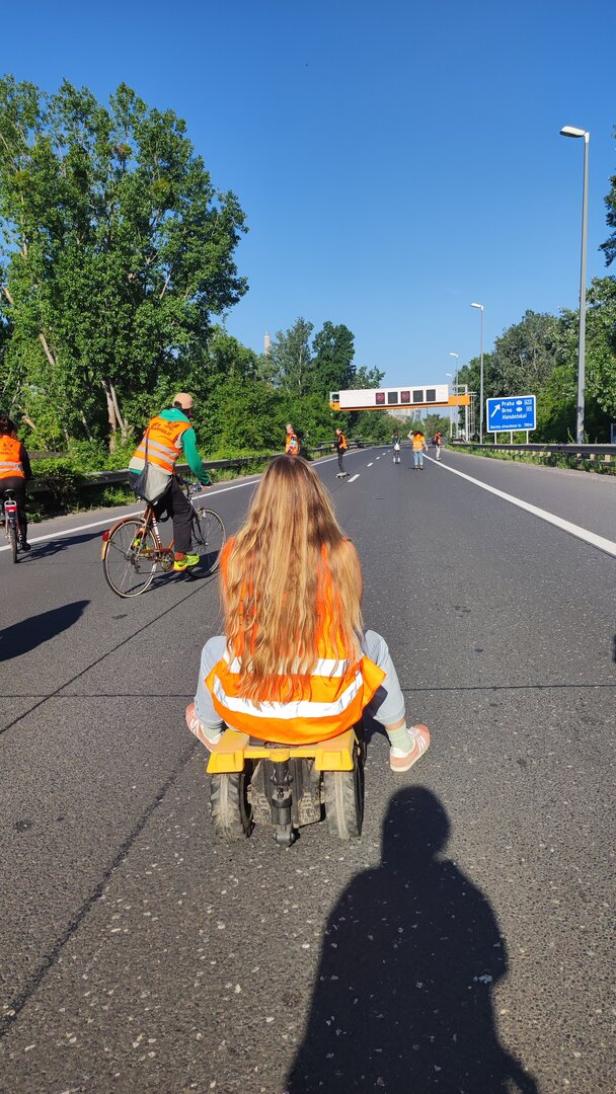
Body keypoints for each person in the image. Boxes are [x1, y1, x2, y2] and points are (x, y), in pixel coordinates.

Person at [185, 456, 430, 773]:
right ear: (316, 499)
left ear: (263, 500)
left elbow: (236, 620)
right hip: (329, 711)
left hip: (246, 709)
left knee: (214, 647)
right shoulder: (341, 552)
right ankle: (402, 747)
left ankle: (211, 731)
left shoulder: (236, 551)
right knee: (375, 644)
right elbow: (349, 619)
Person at [129, 393, 211, 572]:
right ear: (189, 411)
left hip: (136, 469)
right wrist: (205, 479)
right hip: (156, 473)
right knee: (183, 511)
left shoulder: (156, 420)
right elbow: (194, 462)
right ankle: (181, 558)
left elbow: (157, 450)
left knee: (157, 504)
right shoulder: (185, 427)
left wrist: (173, 475)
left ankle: (139, 540)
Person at [0, 413, 32, 550]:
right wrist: (29, 476)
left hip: (0, 482)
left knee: (1, 501)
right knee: (20, 510)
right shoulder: (18, 445)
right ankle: (23, 540)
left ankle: (2, 514)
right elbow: (26, 465)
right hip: (17, 481)